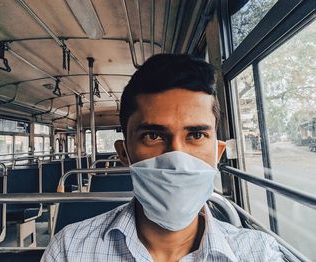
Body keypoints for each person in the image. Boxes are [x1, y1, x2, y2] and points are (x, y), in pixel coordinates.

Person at [41, 54, 286, 261]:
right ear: (124, 153)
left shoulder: (260, 253)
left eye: (197, 134)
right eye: (153, 136)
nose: (176, 157)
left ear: (217, 153)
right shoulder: (68, 250)